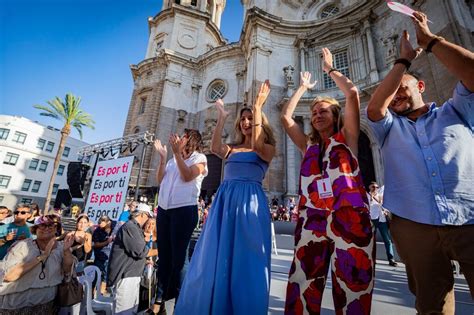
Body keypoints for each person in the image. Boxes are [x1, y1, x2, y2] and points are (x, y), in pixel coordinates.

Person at [366, 11, 474, 314]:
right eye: (393, 87)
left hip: (470, 217)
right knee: (432, 306)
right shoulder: (387, 128)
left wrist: (432, 42)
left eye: (403, 85)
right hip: (414, 225)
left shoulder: (457, 110)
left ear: (421, 87)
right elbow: (375, 106)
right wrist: (402, 64)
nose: (396, 93)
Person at [282, 48, 374, 314]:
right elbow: (287, 118)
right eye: (313, 113)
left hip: (350, 219)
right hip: (312, 220)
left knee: (353, 289)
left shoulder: (348, 138)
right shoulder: (308, 144)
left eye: (323, 111)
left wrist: (329, 69)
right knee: (301, 286)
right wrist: (301, 88)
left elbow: (353, 94)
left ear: (336, 116)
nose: (316, 116)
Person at [175, 80, 276, 315]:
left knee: (248, 260)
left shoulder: (266, 147)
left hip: (250, 202)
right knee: (215, 255)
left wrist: (258, 106)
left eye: (250, 118)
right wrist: (222, 116)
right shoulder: (232, 148)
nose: (246, 122)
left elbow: (260, 144)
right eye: (243, 119)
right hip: (225, 203)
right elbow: (215, 147)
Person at [150, 128, 208, 314]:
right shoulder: (172, 161)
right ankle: (160, 298)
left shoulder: (200, 158)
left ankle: (181, 302)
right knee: (164, 257)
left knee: (179, 260)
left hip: (184, 211)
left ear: (191, 140)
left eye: (183, 136)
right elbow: (160, 180)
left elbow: (188, 176)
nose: (179, 138)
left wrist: (176, 154)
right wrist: (162, 158)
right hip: (165, 211)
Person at [0, 216, 74, 314]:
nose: (46, 228)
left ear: (56, 229)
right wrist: (42, 257)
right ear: (35, 229)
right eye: (42, 226)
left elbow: (67, 271)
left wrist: (66, 251)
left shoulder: (61, 248)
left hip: (45, 304)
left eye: (50, 226)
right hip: (15, 305)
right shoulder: (22, 246)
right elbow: (9, 276)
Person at [107, 204, 154, 315]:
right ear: (142, 214)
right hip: (125, 277)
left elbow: (134, 253)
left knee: (130, 311)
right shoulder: (130, 227)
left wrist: (145, 261)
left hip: (131, 276)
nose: (148, 220)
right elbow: (140, 252)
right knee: (123, 312)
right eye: (148, 216)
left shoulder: (134, 227)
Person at [367, 182, 397, 267]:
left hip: (382, 219)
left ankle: (391, 259)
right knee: (371, 241)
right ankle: (372, 259)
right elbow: (367, 207)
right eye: (373, 187)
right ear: (370, 187)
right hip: (372, 220)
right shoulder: (367, 196)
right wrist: (371, 198)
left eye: (377, 187)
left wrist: (386, 210)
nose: (375, 188)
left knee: (387, 240)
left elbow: (384, 205)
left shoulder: (381, 195)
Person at [92, 215, 116, 295]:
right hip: (100, 256)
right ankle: (92, 294)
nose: (100, 226)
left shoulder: (116, 226)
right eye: (99, 225)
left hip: (112, 257)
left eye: (102, 224)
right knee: (96, 275)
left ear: (108, 222)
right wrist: (107, 242)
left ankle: (101, 293)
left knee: (106, 277)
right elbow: (96, 244)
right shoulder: (97, 231)